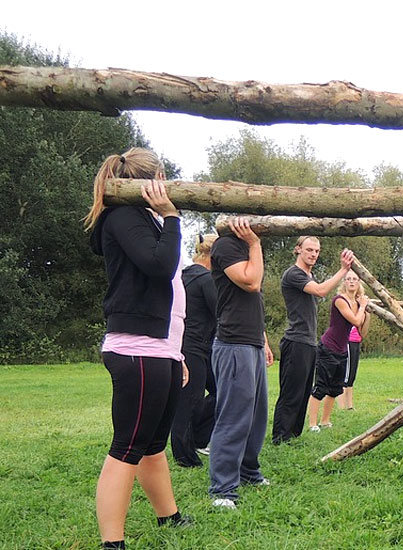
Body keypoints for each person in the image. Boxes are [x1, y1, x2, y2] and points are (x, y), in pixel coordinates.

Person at [85, 147, 191, 549]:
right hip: (135, 346)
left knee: (152, 444)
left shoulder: (142, 218)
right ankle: (112, 542)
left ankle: (170, 517)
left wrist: (176, 351)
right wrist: (173, 217)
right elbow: (161, 265)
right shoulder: (124, 216)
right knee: (127, 445)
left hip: (160, 346)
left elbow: (167, 285)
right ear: (154, 179)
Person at [209, 218, 274, 509]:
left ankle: (248, 472)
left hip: (252, 344)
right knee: (234, 418)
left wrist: (264, 342)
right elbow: (251, 282)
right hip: (233, 343)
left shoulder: (245, 249)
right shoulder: (225, 246)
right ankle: (222, 489)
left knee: (257, 417)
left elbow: (253, 302)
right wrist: (256, 244)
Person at [271, 237, 354, 444]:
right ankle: (280, 438)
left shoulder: (309, 274)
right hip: (295, 340)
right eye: (309, 250)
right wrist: (343, 270)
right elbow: (321, 291)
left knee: (303, 391)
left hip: (308, 342)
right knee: (291, 392)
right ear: (298, 249)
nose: (314, 254)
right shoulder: (294, 274)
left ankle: (294, 436)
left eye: (317, 251)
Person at [170, 234, 218, 468]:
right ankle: (184, 456)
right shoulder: (206, 279)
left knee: (222, 391)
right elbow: (221, 313)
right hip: (192, 347)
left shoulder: (182, 276)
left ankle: (199, 438)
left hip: (197, 346)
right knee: (188, 401)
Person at [307, 269, 370, 431]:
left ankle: (325, 421)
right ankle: (312, 424)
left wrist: (367, 313)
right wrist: (362, 307)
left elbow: (361, 333)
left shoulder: (357, 304)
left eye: (355, 279)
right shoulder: (339, 300)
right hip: (328, 348)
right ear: (344, 282)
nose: (351, 282)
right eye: (348, 279)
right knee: (321, 387)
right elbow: (356, 320)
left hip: (342, 350)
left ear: (359, 283)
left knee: (335, 388)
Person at [337, 322, 364, 410]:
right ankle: (341, 406)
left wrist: (367, 316)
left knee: (352, 376)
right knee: (346, 376)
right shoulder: (349, 309)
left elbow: (363, 332)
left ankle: (349, 406)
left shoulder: (360, 311)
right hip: (347, 341)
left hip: (356, 342)